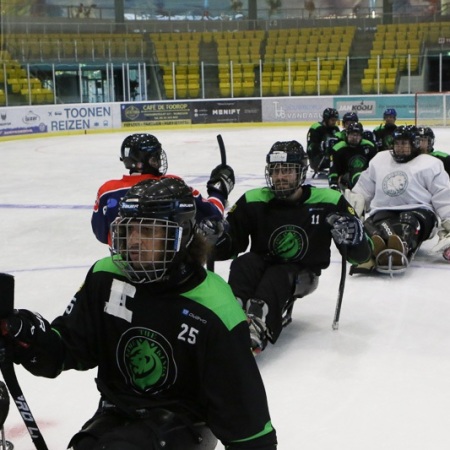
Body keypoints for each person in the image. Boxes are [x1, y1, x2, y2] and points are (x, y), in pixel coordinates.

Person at [0, 178, 278, 450]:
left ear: (179, 235)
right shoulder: (105, 276)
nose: (133, 241)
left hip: (185, 424)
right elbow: (68, 349)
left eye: (148, 232)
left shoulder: (214, 306)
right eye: (129, 229)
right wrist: (27, 336)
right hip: (116, 415)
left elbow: (247, 424)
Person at [213, 140, 372, 354]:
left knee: (278, 274)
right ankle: (231, 315)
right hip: (262, 263)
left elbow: (359, 256)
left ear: (301, 173)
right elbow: (231, 246)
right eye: (275, 170)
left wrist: (355, 237)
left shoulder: (329, 201)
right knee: (244, 262)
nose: (280, 177)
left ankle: (257, 326)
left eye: (287, 170)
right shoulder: (253, 199)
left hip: (303, 272)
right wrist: (218, 236)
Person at [92, 133, 234, 246]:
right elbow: (213, 214)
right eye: (157, 157)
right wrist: (218, 191)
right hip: (169, 268)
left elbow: (101, 234)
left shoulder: (106, 190)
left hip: (122, 265)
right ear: (151, 160)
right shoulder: (172, 185)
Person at [348, 125, 450, 275]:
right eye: (397, 143)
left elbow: (443, 193)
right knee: (370, 225)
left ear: (414, 144)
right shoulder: (379, 160)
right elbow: (363, 189)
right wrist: (353, 210)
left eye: (404, 144)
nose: (400, 148)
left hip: (420, 212)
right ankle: (377, 247)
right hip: (384, 210)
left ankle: (398, 246)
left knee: (407, 221)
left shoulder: (430, 163)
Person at [328, 122, 377, 191]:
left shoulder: (369, 146)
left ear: (361, 136)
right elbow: (333, 169)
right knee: (356, 171)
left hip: (367, 177)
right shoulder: (338, 148)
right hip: (346, 180)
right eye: (352, 134)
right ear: (347, 134)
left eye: (357, 135)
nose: (354, 138)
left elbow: (375, 166)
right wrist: (333, 182)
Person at [306, 107, 340, 176]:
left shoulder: (335, 129)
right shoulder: (316, 128)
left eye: (335, 120)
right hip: (317, 159)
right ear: (326, 119)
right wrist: (322, 146)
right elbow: (310, 148)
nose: (334, 122)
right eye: (332, 120)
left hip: (330, 156)